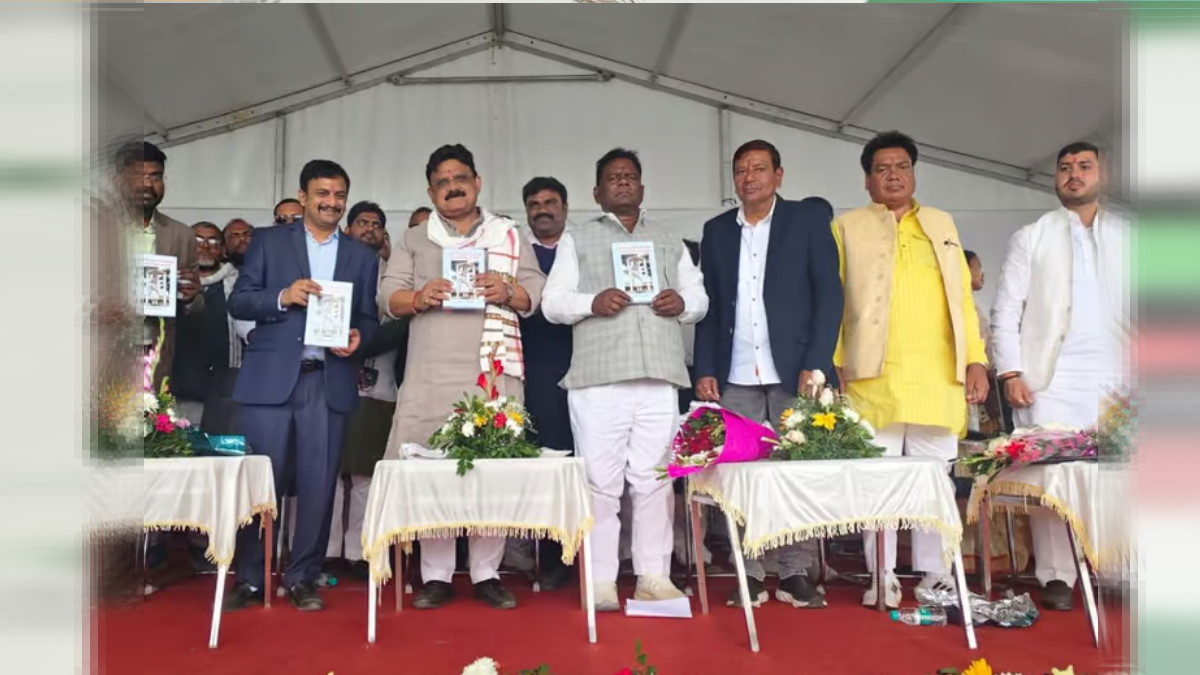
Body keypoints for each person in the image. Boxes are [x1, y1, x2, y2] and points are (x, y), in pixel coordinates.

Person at [379, 144, 545, 610]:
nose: (452, 187)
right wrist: (419, 296)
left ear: (477, 182)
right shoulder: (415, 238)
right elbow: (387, 296)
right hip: (431, 370)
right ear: (430, 191)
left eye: (460, 178)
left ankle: (486, 573)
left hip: (492, 369)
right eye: (442, 182)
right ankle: (436, 575)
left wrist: (507, 289)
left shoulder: (507, 234)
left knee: (492, 468)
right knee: (433, 468)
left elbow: (535, 291)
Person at [543, 148, 708, 611]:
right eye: (613, 178)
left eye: (630, 176)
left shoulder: (669, 239)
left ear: (642, 187)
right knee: (600, 483)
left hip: (659, 375)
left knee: (655, 480)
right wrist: (591, 302)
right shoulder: (577, 239)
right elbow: (552, 303)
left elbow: (699, 297)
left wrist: (684, 305)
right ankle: (601, 580)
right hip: (599, 379)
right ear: (597, 193)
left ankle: (653, 576)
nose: (622, 182)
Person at [832, 131, 989, 608]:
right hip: (870, 376)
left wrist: (976, 359)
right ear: (867, 180)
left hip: (936, 375)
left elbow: (962, 300)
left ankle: (936, 576)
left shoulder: (941, 223)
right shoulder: (847, 227)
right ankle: (882, 576)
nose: (894, 175)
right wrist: (835, 364)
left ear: (914, 174)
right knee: (876, 483)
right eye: (882, 169)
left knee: (934, 482)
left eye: (902, 167)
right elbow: (834, 300)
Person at [223, 159, 380, 612]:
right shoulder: (269, 241)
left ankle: (302, 577)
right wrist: (282, 296)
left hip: (326, 380)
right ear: (304, 196)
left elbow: (368, 318)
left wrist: (360, 337)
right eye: (323, 194)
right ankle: (251, 577)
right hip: (270, 380)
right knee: (260, 483)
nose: (332, 202)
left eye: (339, 195)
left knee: (318, 484)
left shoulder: (361, 256)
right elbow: (239, 300)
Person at [693, 139, 843, 609]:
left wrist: (817, 363)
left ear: (779, 175)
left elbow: (830, 296)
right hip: (734, 373)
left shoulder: (807, 221)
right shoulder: (717, 231)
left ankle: (795, 572)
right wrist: (705, 366)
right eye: (741, 170)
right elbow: (709, 305)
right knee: (738, 476)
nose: (749, 177)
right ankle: (751, 572)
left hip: (794, 370)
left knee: (794, 474)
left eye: (759, 168)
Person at [990, 141, 1128, 611]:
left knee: (1119, 476)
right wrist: (1011, 372)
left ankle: (1116, 566)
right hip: (1051, 377)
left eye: (1084, 166)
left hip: (1118, 376)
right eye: (1065, 168)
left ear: (1103, 175)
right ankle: (1056, 575)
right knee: (1052, 477)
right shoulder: (1031, 236)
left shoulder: (1131, 237)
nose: (1074, 174)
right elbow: (1006, 309)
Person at [326, 201, 409, 580]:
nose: (369, 229)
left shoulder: (396, 277)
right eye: (362, 222)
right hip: (334, 379)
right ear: (347, 229)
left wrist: (366, 339)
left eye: (377, 224)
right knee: (330, 471)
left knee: (366, 474)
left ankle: (359, 552)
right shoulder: (334, 270)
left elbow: (402, 324)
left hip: (382, 386)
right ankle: (327, 550)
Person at [508, 176, 575, 590]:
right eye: (534, 204)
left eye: (550, 202)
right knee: (546, 463)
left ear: (565, 207)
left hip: (586, 366)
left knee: (587, 464)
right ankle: (552, 556)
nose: (543, 210)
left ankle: (594, 553)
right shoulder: (516, 253)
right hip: (534, 370)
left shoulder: (581, 247)